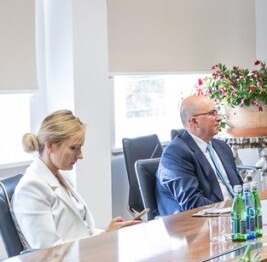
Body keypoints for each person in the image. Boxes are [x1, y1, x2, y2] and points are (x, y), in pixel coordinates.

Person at [13, 110, 138, 249]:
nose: (80, 155)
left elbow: (82, 232)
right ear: (50, 146)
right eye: (74, 148)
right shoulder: (30, 188)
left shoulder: (61, 176)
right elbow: (48, 251)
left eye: (80, 148)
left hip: (82, 257)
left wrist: (108, 233)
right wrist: (103, 238)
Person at [156, 95, 244, 215]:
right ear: (194, 121)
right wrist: (230, 211)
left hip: (235, 216)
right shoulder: (175, 154)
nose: (218, 118)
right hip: (203, 221)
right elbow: (192, 203)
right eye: (212, 113)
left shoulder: (222, 147)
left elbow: (239, 187)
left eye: (217, 112)